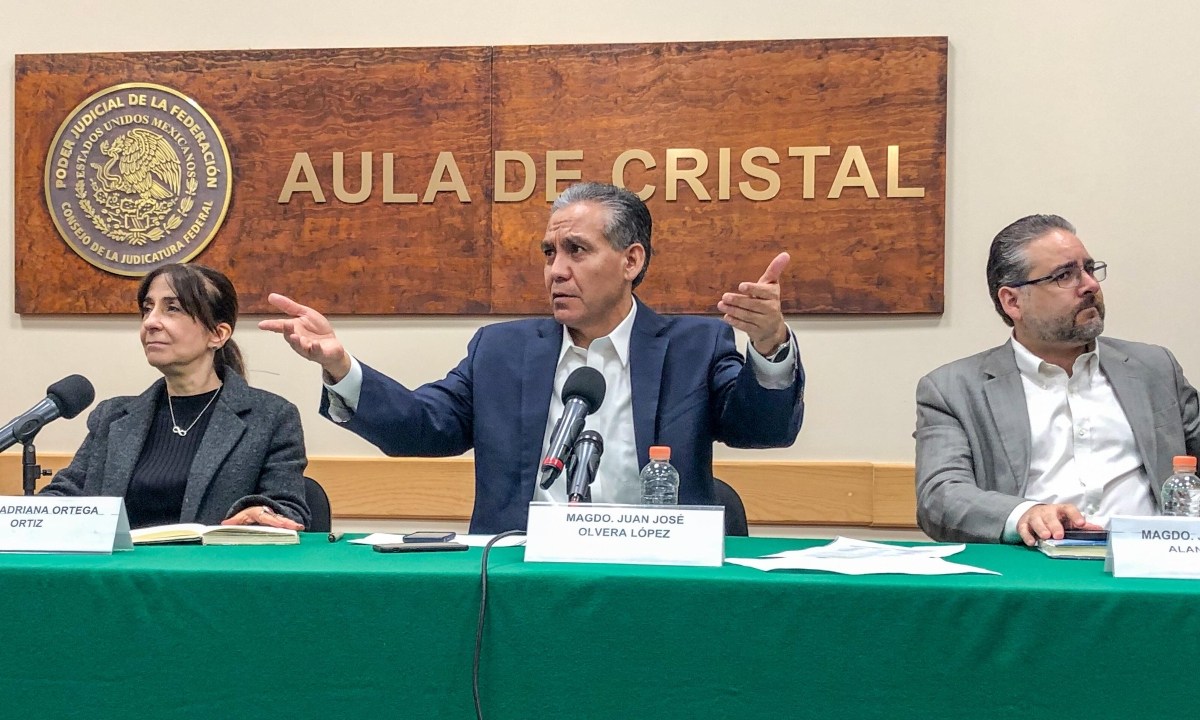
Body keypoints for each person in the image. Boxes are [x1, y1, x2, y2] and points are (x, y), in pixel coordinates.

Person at [261, 181, 805, 533]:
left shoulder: (694, 346)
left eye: (577, 250)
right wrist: (340, 367)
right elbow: (424, 428)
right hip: (518, 578)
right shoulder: (502, 351)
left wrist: (768, 346)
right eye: (549, 253)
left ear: (631, 260)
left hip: (656, 576)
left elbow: (763, 429)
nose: (555, 270)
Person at [915, 214, 1200, 544]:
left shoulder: (1154, 368)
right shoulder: (953, 389)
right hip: (1032, 571)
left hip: (1149, 568)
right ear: (1013, 301)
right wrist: (1024, 513)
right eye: (1065, 275)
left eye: (1090, 269)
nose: (1091, 285)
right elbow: (939, 498)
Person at [41, 263, 310, 530]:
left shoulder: (271, 417)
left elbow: (290, 510)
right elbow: (66, 495)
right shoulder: (112, 417)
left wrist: (259, 512)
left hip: (212, 569)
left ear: (218, 334)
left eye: (172, 309)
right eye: (147, 309)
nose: (151, 322)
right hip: (119, 571)